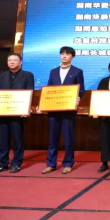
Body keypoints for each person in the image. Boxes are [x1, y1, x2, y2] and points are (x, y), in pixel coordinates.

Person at [40, 46, 85, 175]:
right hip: (53, 110)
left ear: (72, 57)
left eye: (67, 54)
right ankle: (51, 164)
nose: (64, 56)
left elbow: (81, 90)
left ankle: (68, 163)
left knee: (68, 138)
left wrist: (78, 97)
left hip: (68, 110)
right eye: (62, 54)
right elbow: (49, 89)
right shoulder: (53, 71)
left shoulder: (77, 71)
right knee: (52, 138)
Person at [0, 53, 35, 173]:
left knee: (18, 140)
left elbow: (30, 92)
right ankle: (2, 163)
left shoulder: (28, 75)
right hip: (2, 112)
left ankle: (16, 163)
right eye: (9, 60)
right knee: (2, 140)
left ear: (20, 62)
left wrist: (27, 108)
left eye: (14, 60)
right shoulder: (1, 76)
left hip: (18, 113)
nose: (12, 62)